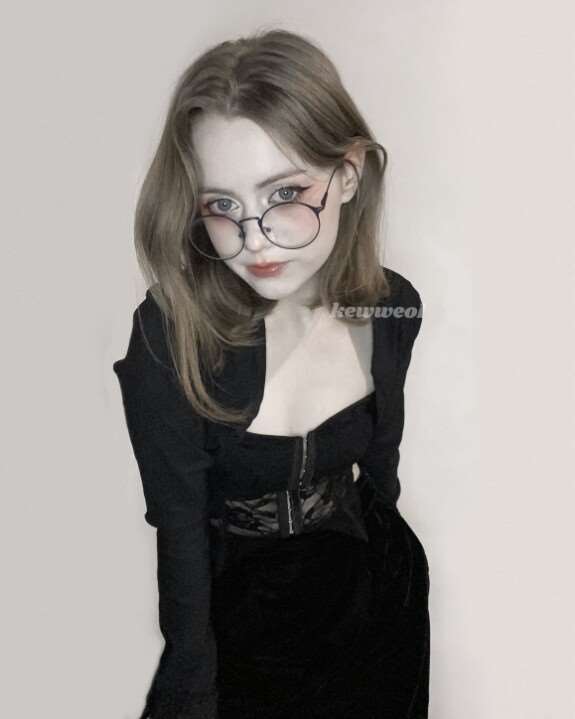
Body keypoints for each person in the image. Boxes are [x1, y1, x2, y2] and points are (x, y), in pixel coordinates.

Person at [113, 28, 430, 719]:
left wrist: (396, 586)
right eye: (222, 205)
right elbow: (180, 531)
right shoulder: (170, 335)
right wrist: (190, 688)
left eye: (285, 192)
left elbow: (382, 471)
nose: (253, 238)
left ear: (349, 174)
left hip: (375, 614)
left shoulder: (391, 308)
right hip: (239, 633)